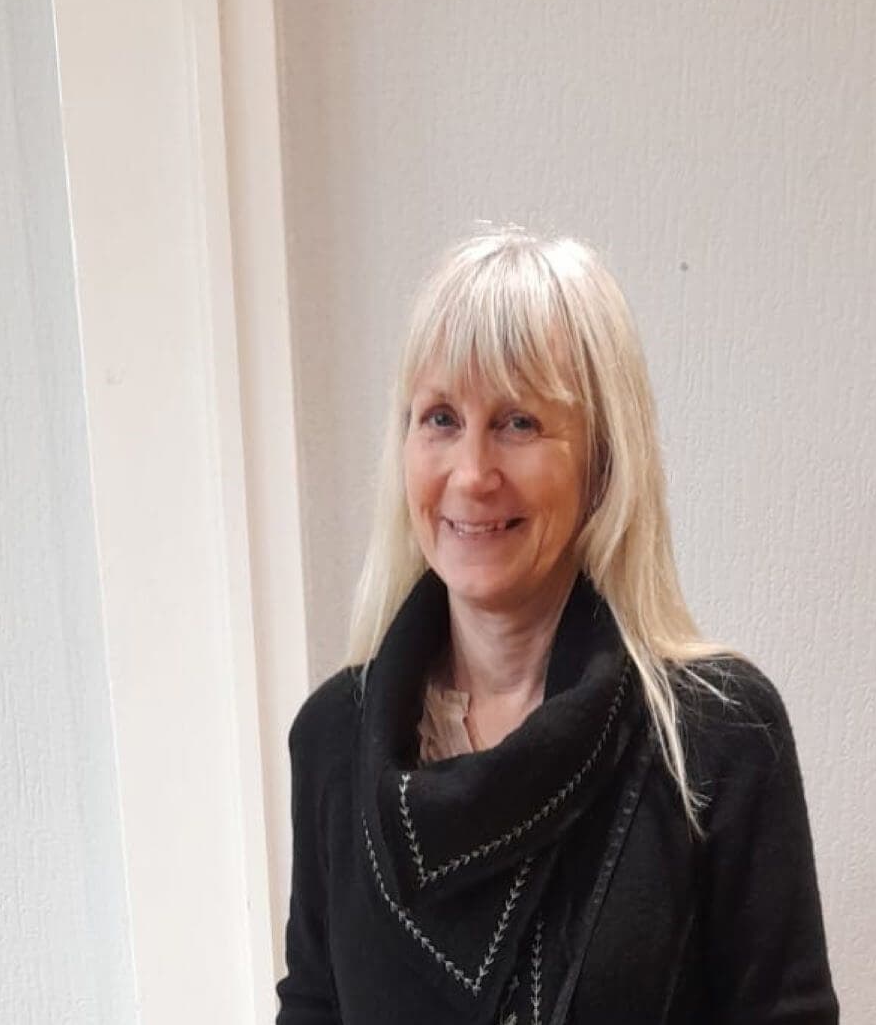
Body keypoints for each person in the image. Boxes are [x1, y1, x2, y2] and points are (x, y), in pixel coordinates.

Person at [276, 229, 839, 1024]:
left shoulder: (718, 734)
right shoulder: (334, 739)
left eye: (518, 423)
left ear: (604, 461)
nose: (472, 474)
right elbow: (313, 1008)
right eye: (439, 418)